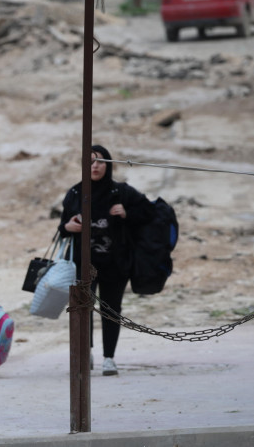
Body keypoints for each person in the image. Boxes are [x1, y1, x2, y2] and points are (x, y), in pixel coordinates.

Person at [57, 145, 153, 376]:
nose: (95, 166)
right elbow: (62, 226)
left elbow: (150, 213)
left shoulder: (120, 192)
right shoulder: (75, 193)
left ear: (108, 165)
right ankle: (86, 352)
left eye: (100, 161)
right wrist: (68, 227)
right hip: (82, 265)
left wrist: (127, 212)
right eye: (90, 162)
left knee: (112, 310)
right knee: (83, 309)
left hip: (115, 263)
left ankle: (109, 358)